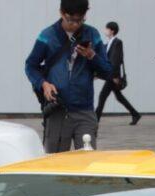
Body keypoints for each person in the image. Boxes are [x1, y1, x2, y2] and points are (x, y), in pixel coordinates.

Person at [24, 0, 111, 153]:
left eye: (80, 20)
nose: (75, 24)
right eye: (70, 20)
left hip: (84, 110)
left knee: (87, 161)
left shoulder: (92, 34)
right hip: (57, 109)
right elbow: (30, 66)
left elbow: (108, 72)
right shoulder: (47, 35)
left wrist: (92, 56)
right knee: (55, 162)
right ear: (61, 13)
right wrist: (43, 83)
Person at [95, 21, 140, 125]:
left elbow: (116, 60)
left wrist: (115, 76)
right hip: (110, 75)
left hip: (113, 76)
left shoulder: (117, 42)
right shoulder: (108, 43)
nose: (105, 31)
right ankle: (135, 114)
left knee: (102, 96)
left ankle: (95, 119)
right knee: (119, 96)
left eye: (107, 29)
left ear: (112, 31)